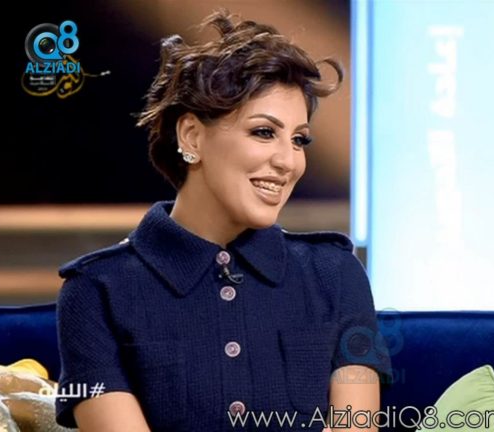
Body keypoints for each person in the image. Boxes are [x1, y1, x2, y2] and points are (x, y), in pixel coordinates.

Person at [54, 9, 392, 432]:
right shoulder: (94, 291)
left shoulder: (336, 274)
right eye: (264, 132)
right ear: (192, 136)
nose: (288, 162)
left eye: (299, 140)